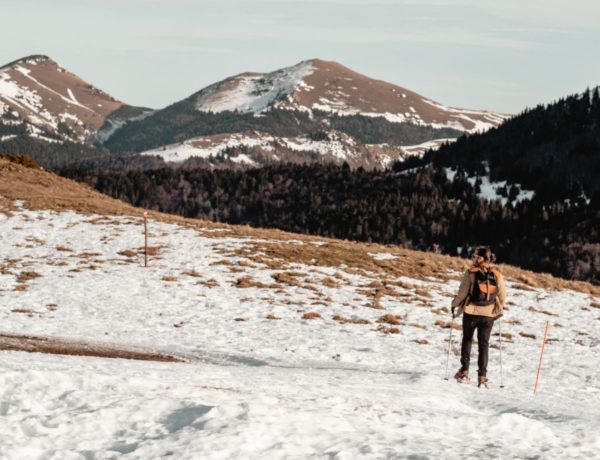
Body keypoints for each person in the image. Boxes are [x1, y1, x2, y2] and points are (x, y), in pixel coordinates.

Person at [451, 246, 506, 388]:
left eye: (477, 256)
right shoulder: (497, 275)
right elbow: (502, 296)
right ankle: (482, 377)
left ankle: (464, 371)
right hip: (488, 316)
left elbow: (462, 293)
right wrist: (496, 310)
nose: (474, 258)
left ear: (483, 258)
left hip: (471, 312)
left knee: (467, 340)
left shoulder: (470, 273)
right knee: (484, 345)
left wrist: (454, 304)